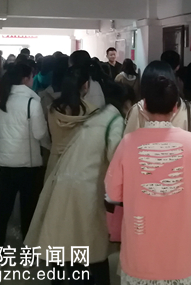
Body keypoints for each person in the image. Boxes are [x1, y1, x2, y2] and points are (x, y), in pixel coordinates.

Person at [105, 71, 191, 285]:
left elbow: (113, 192)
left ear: (144, 106)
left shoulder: (128, 143)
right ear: (175, 108)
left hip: (140, 251)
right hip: (182, 252)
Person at [25, 66, 125, 284]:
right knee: (83, 234)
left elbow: (45, 137)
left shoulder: (52, 109)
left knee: (57, 229)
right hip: (83, 172)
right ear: (86, 86)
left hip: (56, 168)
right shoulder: (91, 113)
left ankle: (58, 277)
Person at [0, 63, 49, 250]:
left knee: (4, 208)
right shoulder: (32, 103)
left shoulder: (2, 102)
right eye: (31, 77)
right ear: (25, 79)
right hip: (28, 166)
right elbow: (39, 133)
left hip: (6, 164)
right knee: (28, 209)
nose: (32, 80)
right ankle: (28, 248)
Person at [124, 61, 191, 155]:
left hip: (145, 163)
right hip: (183, 163)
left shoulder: (138, 109)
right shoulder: (190, 110)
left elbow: (128, 149)